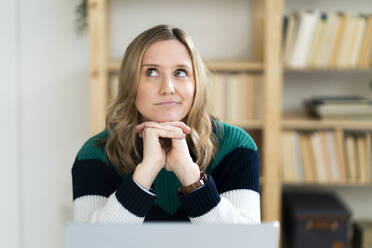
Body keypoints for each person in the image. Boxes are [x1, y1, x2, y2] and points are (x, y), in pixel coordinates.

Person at [71, 24, 260, 223]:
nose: (167, 88)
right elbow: (92, 242)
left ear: (196, 83)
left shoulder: (235, 146)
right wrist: (145, 173)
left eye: (180, 72)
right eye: (151, 72)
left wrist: (191, 177)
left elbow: (244, 242)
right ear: (130, 83)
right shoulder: (95, 153)